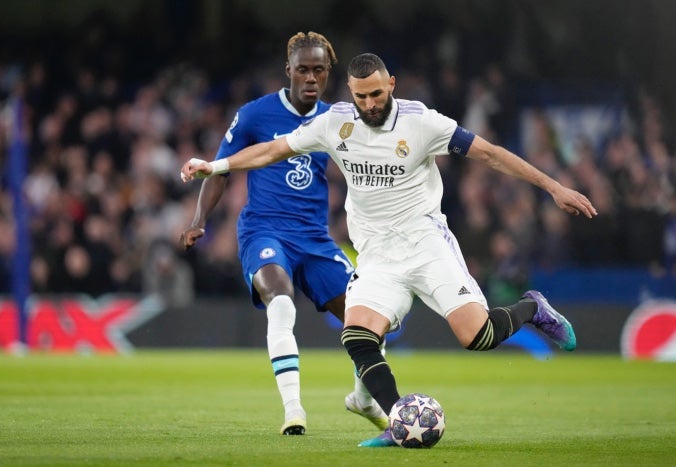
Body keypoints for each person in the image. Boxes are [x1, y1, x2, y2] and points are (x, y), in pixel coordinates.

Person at [180, 53, 598, 446]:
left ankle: (533, 308)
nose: (370, 103)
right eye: (361, 96)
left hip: (426, 243)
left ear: (391, 85)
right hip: (377, 255)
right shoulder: (335, 124)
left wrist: (554, 187)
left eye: (377, 94)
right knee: (358, 336)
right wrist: (216, 166)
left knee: (478, 336)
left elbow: (490, 155)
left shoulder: (422, 122)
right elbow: (274, 148)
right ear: (350, 91)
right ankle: (399, 419)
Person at [179, 35, 388, 436]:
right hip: (265, 230)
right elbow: (220, 169)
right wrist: (199, 218)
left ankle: (363, 399)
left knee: (371, 319)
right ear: (288, 71)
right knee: (281, 302)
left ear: (329, 74)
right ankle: (294, 411)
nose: (311, 78)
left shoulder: (337, 120)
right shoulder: (255, 115)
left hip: (315, 238)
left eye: (319, 70)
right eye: (303, 69)